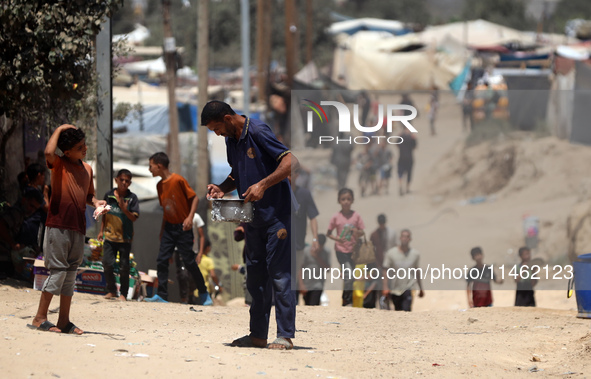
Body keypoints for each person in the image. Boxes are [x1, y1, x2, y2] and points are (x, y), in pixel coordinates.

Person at [202, 100, 299, 350]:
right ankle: (257, 335)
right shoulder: (230, 139)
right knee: (255, 279)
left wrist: (263, 184)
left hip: (277, 216)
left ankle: (285, 335)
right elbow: (237, 172)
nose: (217, 133)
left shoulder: (257, 131)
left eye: (216, 128)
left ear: (226, 118)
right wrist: (222, 188)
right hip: (252, 219)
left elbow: (290, 162)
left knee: (279, 275)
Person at [29, 125, 107, 334]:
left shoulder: (88, 169)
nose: (85, 149)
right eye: (80, 146)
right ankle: (40, 317)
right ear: (67, 151)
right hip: (58, 225)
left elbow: (88, 195)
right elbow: (48, 152)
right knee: (58, 272)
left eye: (84, 145)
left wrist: (97, 202)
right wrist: (61, 128)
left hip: (78, 227)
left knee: (70, 273)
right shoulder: (59, 164)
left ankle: (64, 321)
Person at [146, 152, 212, 306]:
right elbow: (166, 210)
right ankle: (162, 295)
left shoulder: (178, 180)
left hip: (183, 227)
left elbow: (194, 198)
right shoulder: (159, 186)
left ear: (159, 165)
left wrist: (190, 217)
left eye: (151, 166)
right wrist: (162, 232)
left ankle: (203, 293)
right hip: (169, 228)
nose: (149, 170)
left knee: (189, 261)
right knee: (162, 260)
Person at [97, 169, 140, 301]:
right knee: (107, 263)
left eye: (127, 181)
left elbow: (134, 218)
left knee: (124, 267)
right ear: (116, 180)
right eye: (122, 180)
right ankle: (111, 290)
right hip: (109, 237)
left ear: (130, 183)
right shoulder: (109, 195)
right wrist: (101, 231)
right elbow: (104, 214)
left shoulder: (132, 198)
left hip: (124, 239)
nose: (124, 183)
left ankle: (123, 294)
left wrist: (124, 209)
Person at [327, 188, 365, 307]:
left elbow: (362, 232)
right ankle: (346, 301)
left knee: (351, 277)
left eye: (348, 199)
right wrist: (337, 239)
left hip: (354, 252)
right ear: (339, 201)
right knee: (349, 276)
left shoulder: (356, 216)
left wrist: (356, 231)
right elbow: (328, 233)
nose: (346, 201)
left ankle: (348, 299)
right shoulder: (336, 217)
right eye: (343, 199)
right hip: (341, 251)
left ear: (352, 200)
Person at [289, 166, 319, 303]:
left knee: (294, 277)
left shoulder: (305, 194)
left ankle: (293, 306)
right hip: (280, 242)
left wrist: (315, 238)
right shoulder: (278, 193)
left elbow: (312, 217)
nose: (288, 177)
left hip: (298, 243)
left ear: (297, 175)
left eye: (291, 174)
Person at [381, 229, 424, 311]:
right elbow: (385, 270)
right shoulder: (391, 253)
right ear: (400, 238)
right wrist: (385, 286)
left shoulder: (415, 254)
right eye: (403, 236)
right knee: (398, 310)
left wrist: (421, 288)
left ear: (410, 239)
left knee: (406, 309)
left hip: (409, 287)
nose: (405, 238)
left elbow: (417, 271)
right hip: (395, 288)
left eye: (407, 237)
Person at [365, 214, 397, 308]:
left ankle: (388, 305)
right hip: (378, 264)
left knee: (390, 285)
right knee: (379, 286)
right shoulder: (374, 234)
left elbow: (394, 247)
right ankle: (382, 306)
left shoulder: (391, 233)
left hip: (389, 265)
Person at [175, 211, 207, 304]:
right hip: (179, 250)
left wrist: (200, 253)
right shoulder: (177, 215)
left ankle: (191, 295)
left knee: (192, 275)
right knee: (182, 275)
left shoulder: (196, 217)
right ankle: (184, 298)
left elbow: (202, 236)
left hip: (192, 251)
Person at [300, 234, 330, 306]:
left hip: (318, 284)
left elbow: (328, 269)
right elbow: (300, 268)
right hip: (306, 283)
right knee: (307, 305)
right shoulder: (306, 251)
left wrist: (317, 257)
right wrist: (301, 285)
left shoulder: (325, 252)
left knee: (314, 304)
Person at [397, 128, 417, 196]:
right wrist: (414, 138)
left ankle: (400, 186)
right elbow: (415, 147)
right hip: (409, 158)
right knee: (409, 174)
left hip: (401, 158)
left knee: (400, 173)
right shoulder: (411, 138)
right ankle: (407, 188)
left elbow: (397, 144)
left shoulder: (401, 137)